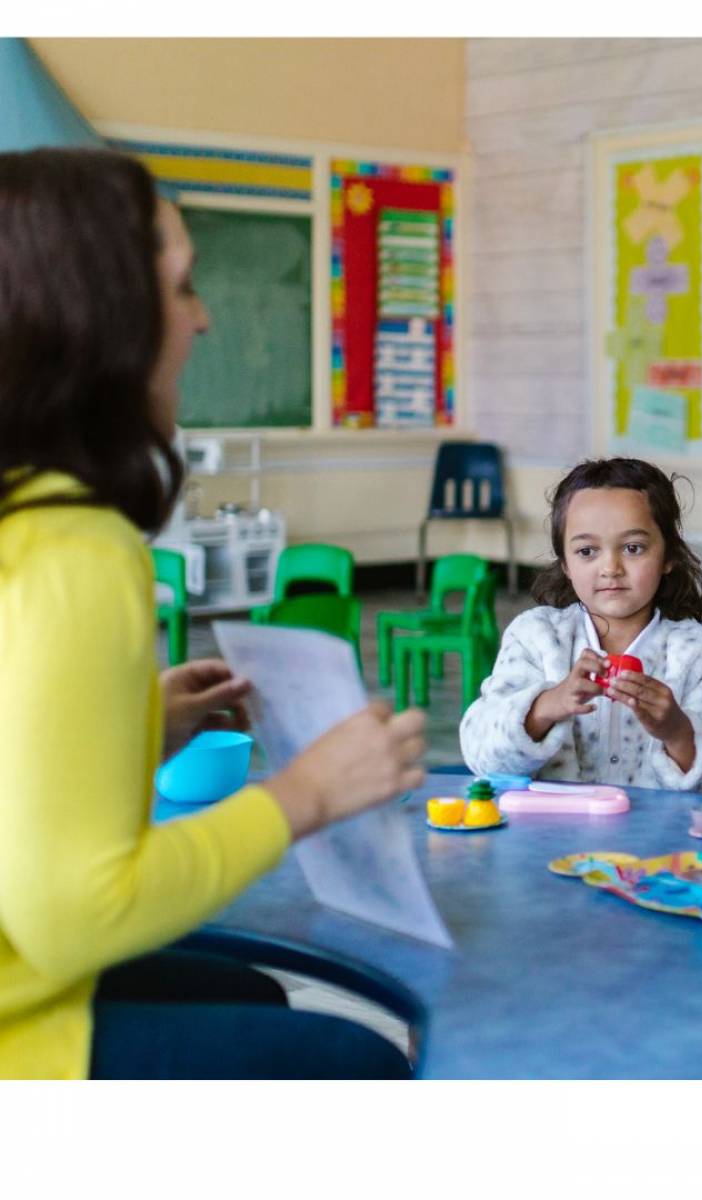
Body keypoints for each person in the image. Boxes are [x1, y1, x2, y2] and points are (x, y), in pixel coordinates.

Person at [0, 148, 426, 1079]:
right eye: (183, 285)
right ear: (100, 315)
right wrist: (307, 792)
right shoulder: (74, 548)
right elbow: (75, 913)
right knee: (357, 1062)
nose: (204, 317)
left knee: (262, 997)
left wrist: (142, 722)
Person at [460, 457, 702, 795]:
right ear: (564, 562)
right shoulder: (535, 637)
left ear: (669, 556)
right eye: (587, 551)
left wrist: (678, 731)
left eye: (633, 548)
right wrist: (548, 704)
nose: (610, 567)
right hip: (549, 841)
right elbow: (481, 756)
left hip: (657, 845)